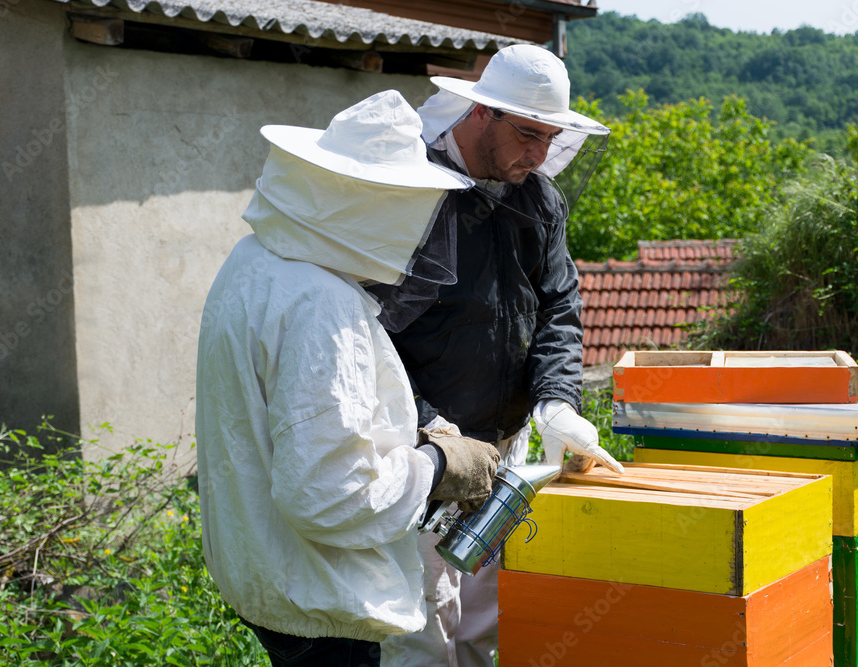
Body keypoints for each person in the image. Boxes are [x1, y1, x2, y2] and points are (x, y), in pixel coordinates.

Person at [194, 90, 504, 667]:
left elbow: (298, 420)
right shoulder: (319, 301)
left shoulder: (256, 261)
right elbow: (328, 492)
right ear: (372, 200)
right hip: (316, 598)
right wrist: (440, 466)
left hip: (265, 574)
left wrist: (421, 426)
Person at [369, 45, 625, 667]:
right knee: (420, 624)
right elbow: (367, 333)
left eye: (550, 138)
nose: (539, 155)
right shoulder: (409, 193)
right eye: (528, 135)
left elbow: (558, 307)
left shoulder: (537, 199)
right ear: (482, 113)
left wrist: (558, 402)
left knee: (483, 618)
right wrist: (429, 426)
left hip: (505, 449)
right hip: (422, 449)